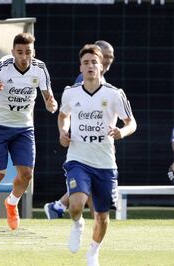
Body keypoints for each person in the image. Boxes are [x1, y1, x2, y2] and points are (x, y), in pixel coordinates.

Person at [58, 44, 136, 266]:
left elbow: (131, 122)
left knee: (102, 216)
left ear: (101, 66)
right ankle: (77, 224)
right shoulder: (70, 92)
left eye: (94, 62)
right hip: (77, 159)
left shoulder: (114, 93)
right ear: (80, 67)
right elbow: (63, 115)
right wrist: (63, 131)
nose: (90, 66)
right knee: (75, 205)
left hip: (105, 162)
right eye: (86, 62)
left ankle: (93, 251)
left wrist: (122, 131)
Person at [0, 32, 58, 230]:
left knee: (27, 175)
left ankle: (12, 203)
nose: (23, 57)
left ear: (33, 52)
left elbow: (48, 96)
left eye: (27, 52)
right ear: (13, 52)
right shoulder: (3, 66)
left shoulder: (40, 69)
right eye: (19, 52)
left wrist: (51, 103)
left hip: (23, 128)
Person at [44, 40, 115, 219]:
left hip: (99, 146)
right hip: (81, 145)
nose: (109, 60)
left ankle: (58, 206)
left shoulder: (105, 85)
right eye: (105, 56)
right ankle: (66, 211)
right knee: (88, 186)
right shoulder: (84, 79)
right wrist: (65, 131)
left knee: (89, 186)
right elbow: (69, 113)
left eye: (111, 57)